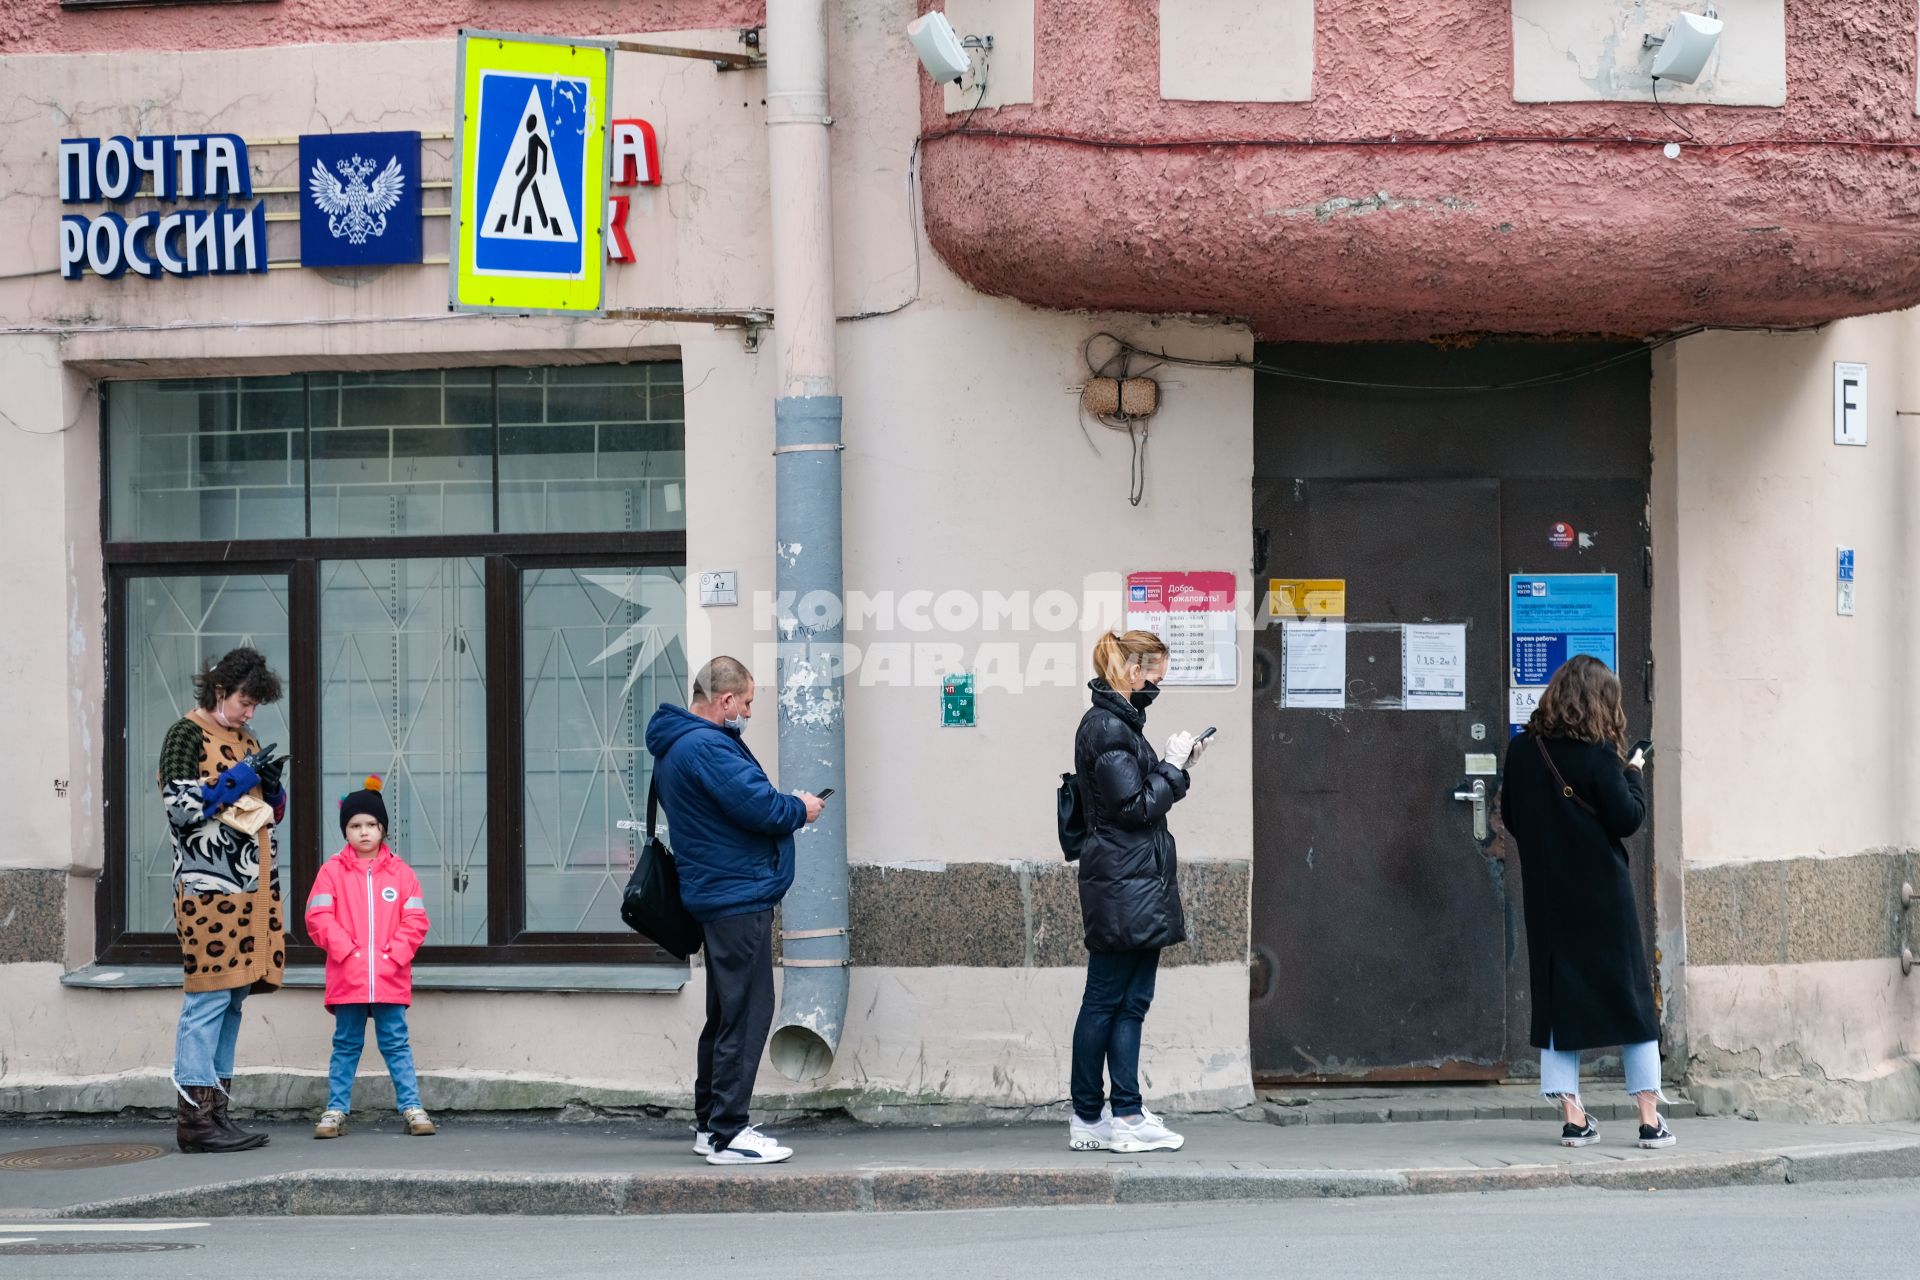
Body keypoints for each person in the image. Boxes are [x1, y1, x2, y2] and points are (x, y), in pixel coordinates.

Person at [644, 657, 824, 1167]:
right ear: (725, 701)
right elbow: (760, 808)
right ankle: (729, 1132)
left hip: (720, 894)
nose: (747, 711)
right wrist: (801, 809)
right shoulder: (706, 747)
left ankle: (711, 1124)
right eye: (746, 703)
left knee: (725, 1014)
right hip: (735, 896)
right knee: (745, 1015)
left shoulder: (681, 744)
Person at [1500, 654, 1673, 1149]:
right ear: (1599, 702)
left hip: (1549, 895)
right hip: (1603, 895)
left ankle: (1574, 1118)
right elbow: (1627, 819)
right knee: (1632, 1000)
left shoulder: (1522, 751)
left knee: (1559, 1001)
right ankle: (1648, 1119)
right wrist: (1634, 770)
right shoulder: (1599, 754)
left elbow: (1511, 817)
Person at [1066, 630, 1207, 1154]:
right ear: (1131, 671)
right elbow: (1135, 808)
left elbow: (1147, 795)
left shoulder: (1120, 724)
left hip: (1133, 879)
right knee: (1109, 1001)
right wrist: (1170, 765)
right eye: (1154, 676)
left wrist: (1181, 765)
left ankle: (1122, 1110)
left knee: (1129, 1001)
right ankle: (1098, 1115)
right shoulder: (1105, 727)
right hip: (1122, 881)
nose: (1157, 686)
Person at [158, 646, 288, 1154]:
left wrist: (273, 790)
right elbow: (180, 808)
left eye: (256, 705)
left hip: (254, 892)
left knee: (234, 999)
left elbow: (266, 815)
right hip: (208, 892)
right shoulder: (185, 734)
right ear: (219, 691)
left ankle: (217, 1113)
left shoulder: (246, 739)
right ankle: (194, 1120)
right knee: (208, 997)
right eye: (245, 701)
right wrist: (242, 777)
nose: (250, 713)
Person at [304, 775, 435, 1139]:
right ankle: (335, 1110)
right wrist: (347, 951)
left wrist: (393, 956)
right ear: (345, 830)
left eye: (371, 825)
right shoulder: (331, 872)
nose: (363, 832)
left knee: (396, 1043)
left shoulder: (402, 874)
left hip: (389, 976)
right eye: (355, 825)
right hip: (349, 977)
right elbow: (318, 917)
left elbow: (416, 920)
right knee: (346, 1044)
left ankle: (411, 1106)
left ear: (383, 829)